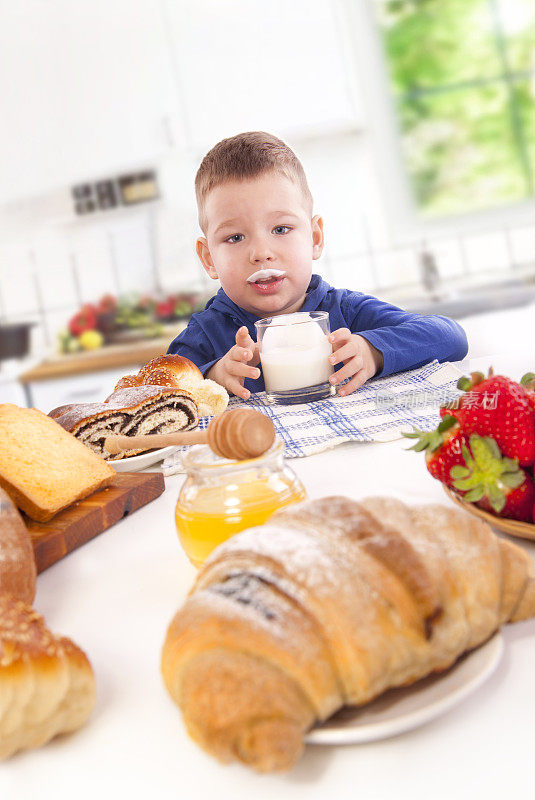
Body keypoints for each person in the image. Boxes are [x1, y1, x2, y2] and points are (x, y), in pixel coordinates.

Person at [167, 132, 467, 400]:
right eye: (234, 237)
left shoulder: (345, 311)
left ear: (315, 238)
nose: (260, 253)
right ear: (209, 259)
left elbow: (450, 337)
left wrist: (371, 351)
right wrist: (211, 377)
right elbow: (159, 392)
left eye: (281, 229)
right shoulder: (205, 334)